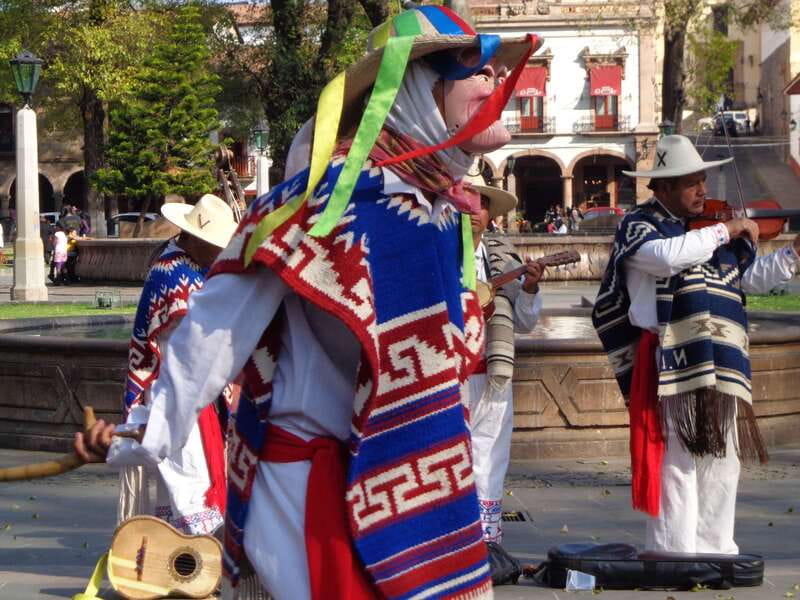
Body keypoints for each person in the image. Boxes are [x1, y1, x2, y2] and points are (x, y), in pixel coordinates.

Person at [74, 6, 542, 598]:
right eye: (475, 69)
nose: (495, 83)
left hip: (417, 498)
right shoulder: (322, 207)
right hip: (314, 505)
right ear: (419, 89)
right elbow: (214, 330)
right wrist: (140, 436)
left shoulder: (442, 216)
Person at [592, 134, 800, 554]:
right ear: (663, 187)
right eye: (692, 183)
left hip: (718, 357)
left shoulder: (708, 233)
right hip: (671, 359)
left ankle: (715, 550)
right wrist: (726, 229)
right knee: (678, 459)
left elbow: (748, 278)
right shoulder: (641, 227)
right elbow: (670, 257)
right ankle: (674, 553)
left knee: (724, 458)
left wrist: (793, 256)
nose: (704, 190)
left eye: (703, 180)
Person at [108, 194, 238, 535]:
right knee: (190, 478)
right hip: (173, 391)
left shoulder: (193, 264)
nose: (218, 251)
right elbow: (198, 331)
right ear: (193, 237)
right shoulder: (170, 272)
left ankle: (181, 562)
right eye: (214, 244)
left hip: (191, 390)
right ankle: (195, 556)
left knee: (188, 475)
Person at [465, 172, 542, 550]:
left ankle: (487, 547)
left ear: (490, 212)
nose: (472, 210)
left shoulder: (503, 259)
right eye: (465, 199)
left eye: (480, 202)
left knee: (491, 460)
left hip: (494, 375)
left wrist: (528, 288)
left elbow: (525, 323)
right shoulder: (430, 254)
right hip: (446, 377)